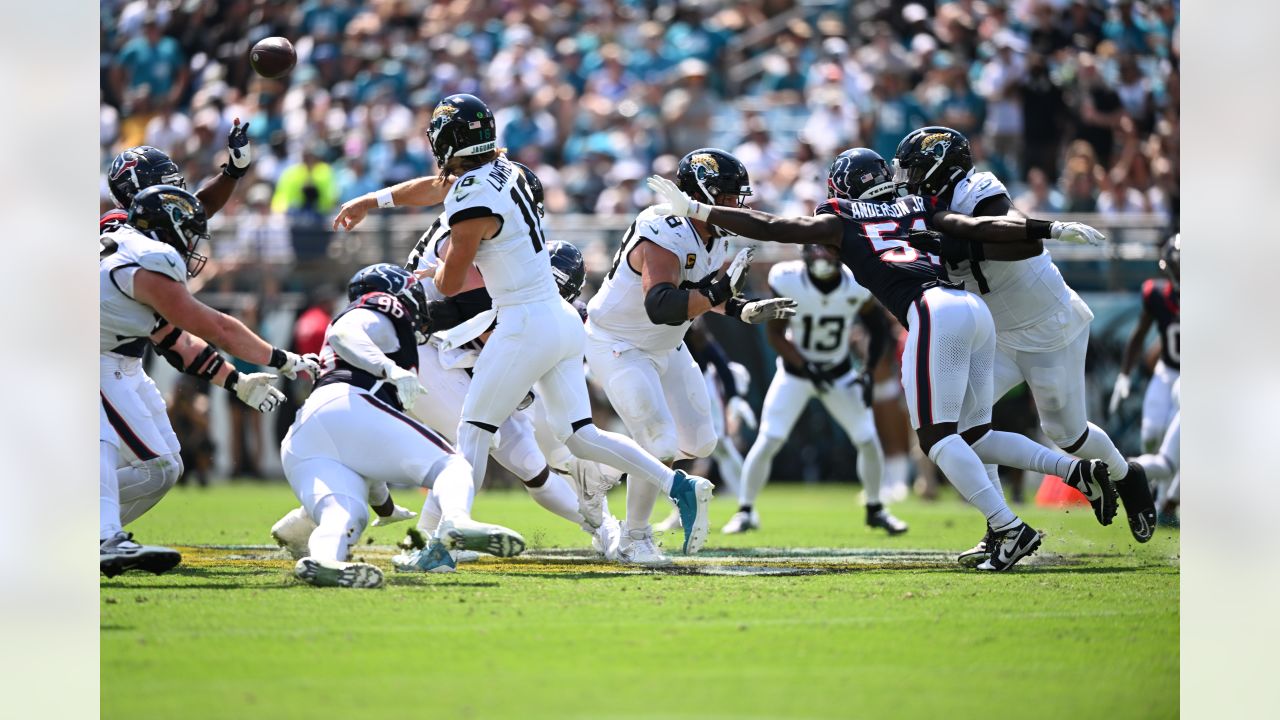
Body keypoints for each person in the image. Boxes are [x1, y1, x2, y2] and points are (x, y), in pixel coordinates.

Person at [646, 148, 1117, 572]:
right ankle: (1072, 473)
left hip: (933, 311)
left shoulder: (840, 219)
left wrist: (696, 209)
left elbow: (774, 227)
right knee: (974, 434)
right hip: (976, 311)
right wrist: (1048, 228)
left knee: (937, 438)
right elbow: (972, 227)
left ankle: (1008, 527)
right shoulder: (917, 206)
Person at [420, 94, 722, 557]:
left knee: (474, 432)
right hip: (562, 321)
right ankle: (676, 483)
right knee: (582, 435)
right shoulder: (516, 171)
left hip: (523, 321)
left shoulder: (467, 195)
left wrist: (430, 272)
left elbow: (452, 279)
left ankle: (439, 542)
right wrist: (374, 200)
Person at [892, 126, 1158, 560]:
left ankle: (1127, 475)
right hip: (995, 332)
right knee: (965, 427)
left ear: (944, 167)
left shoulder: (978, 189)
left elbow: (1021, 242)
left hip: (1048, 326)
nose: (910, 180)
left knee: (1067, 433)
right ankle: (1000, 527)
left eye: (917, 169)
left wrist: (957, 248)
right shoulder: (922, 207)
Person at [584, 148, 796, 564]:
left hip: (667, 344)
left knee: (700, 441)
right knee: (659, 443)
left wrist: (739, 307)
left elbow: (706, 290)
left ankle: (604, 470)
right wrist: (719, 295)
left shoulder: (713, 232)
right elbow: (661, 303)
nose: (738, 205)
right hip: (619, 342)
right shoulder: (663, 225)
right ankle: (634, 537)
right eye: (730, 195)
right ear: (702, 191)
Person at [101, 186, 311, 578]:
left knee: (163, 468)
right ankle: (97, 534)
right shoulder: (147, 261)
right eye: (188, 231)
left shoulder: (127, 248)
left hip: (106, 358)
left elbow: (176, 340)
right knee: (118, 451)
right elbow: (216, 327)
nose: (193, 244)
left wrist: (236, 382)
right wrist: (282, 358)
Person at [282, 264, 525, 588]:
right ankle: (456, 521)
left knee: (346, 514)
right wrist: (390, 370)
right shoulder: (379, 306)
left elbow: (361, 456)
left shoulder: (381, 325)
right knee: (453, 465)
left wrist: (385, 508)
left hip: (307, 435)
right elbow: (344, 334)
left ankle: (324, 559)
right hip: (349, 402)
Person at [725, 240, 907, 536]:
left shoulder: (854, 283)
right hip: (796, 374)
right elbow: (775, 334)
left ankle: (876, 509)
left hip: (838, 374)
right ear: (805, 253)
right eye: (816, 249)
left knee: (867, 438)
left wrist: (869, 371)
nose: (821, 255)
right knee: (769, 438)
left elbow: (877, 329)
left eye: (828, 249)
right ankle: (745, 510)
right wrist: (803, 365)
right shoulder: (788, 278)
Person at [1113, 234, 1180, 516]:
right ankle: (1152, 490)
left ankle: (1166, 499)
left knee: (1175, 446)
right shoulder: (1155, 294)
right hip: (1167, 370)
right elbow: (1140, 333)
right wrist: (1124, 375)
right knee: (1151, 433)